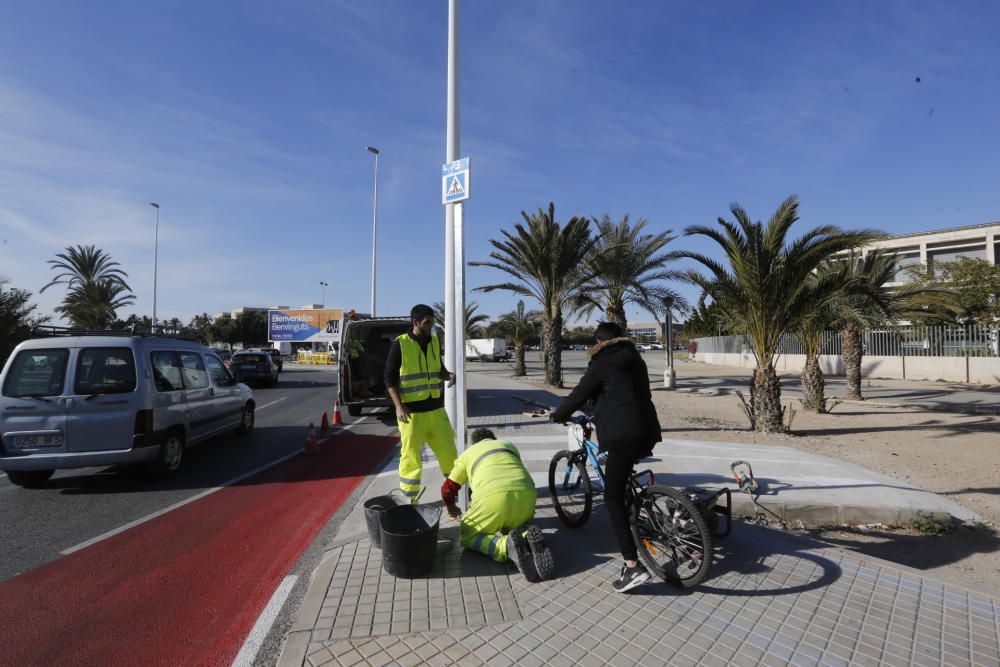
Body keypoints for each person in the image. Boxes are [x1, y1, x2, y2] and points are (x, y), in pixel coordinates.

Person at [550, 321, 662, 593]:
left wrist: (559, 414)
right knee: (622, 484)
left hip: (623, 434)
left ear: (599, 342)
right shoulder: (635, 359)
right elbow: (616, 392)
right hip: (647, 430)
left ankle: (632, 566)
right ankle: (639, 517)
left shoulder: (602, 362)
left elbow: (580, 393)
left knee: (611, 496)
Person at [441, 428, 554, 582]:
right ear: (493, 438)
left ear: (473, 443)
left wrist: (451, 508)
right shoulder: (508, 445)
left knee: (468, 535)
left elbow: (447, 490)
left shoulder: (468, 453)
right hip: (527, 496)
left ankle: (504, 546)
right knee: (513, 525)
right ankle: (526, 535)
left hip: (493, 500)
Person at [385, 304, 458, 501]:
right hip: (412, 414)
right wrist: (399, 406)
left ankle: (453, 495)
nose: (430, 325)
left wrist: (449, 375)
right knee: (410, 459)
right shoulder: (400, 344)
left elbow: (439, 370)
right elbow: (389, 378)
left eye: (432, 322)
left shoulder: (434, 341)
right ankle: (409, 501)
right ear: (415, 322)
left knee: (450, 454)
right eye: (427, 322)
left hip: (436, 410)